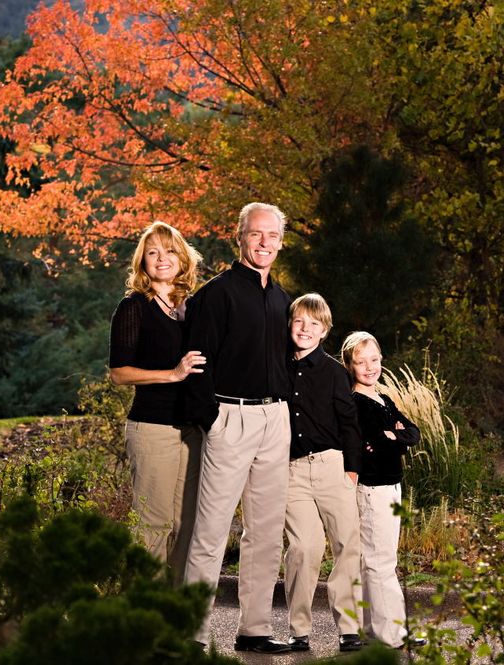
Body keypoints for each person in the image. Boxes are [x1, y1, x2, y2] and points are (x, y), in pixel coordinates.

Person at [183, 202, 293, 654]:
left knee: (265, 534)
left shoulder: (283, 298)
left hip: (276, 420)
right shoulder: (217, 294)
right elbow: (196, 364)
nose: (264, 242)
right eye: (255, 234)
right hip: (230, 417)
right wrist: (213, 418)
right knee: (210, 533)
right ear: (240, 237)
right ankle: (190, 634)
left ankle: (254, 629)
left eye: (271, 236)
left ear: (281, 242)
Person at [108, 221, 207, 580]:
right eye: (152, 252)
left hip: (191, 431)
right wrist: (172, 374)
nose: (161, 258)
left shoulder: (192, 308)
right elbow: (119, 373)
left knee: (186, 525)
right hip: (153, 428)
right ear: (142, 262)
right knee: (154, 524)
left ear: (182, 258)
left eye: (169, 250)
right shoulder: (134, 307)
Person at [282, 294, 364, 653]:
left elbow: (350, 424)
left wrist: (352, 471)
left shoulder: (334, 372)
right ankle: (299, 630)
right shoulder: (275, 366)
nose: (305, 329)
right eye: (299, 322)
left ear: (324, 331)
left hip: (333, 466)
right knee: (304, 547)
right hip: (291, 471)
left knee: (347, 544)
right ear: (290, 325)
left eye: (313, 324)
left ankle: (349, 629)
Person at [340, 331, 427, 650]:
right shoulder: (356, 402)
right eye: (361, 361)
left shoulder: (384, 399)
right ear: (349, 364)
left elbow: (413, 433)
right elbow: (371, 443)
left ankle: (373, 628)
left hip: (392, 484)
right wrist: (391, 436)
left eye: (374, 359)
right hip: (373, 487)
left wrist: (395, 437)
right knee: (380, 561)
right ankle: (393, 634)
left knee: (374, 559)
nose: (369, 367)